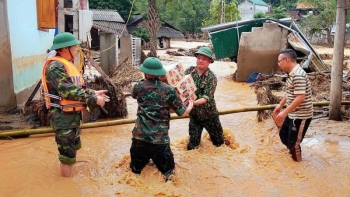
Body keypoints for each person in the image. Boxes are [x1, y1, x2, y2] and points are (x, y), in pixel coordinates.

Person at [41, 32, 110, 177]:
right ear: (65, 48)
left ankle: (71, 177)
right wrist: (93, 99)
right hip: (62, 118)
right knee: (66, 156)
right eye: (74, 47)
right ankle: (66, 185)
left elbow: (77, 88)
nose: (76, 50)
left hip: (72, 116)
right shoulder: (55, 67)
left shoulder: (66, 65)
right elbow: (68, 92)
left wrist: (93, 93)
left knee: (74, 148)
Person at [130, 57, 193, 182]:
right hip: (160, 141)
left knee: (135, 172)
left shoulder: (138, 86)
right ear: (160, 73)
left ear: (145, 72)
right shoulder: (169, 90)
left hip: (139, 138)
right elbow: (182, 113)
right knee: (169, 174)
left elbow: (135, 96)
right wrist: (190, 105)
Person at [273, 49, 313, 162]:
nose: (278, 64)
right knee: (283, 134)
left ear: (287, 60)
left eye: (279, 61)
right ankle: (292, 152)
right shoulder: (291, 74)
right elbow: (290, 92)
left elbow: (300, 97)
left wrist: (284, 112)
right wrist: (280, 105)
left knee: (294, 143)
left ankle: (298, 165)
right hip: (293, 113)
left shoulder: (298, 75)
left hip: (301, 115)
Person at [184, 46, 225, 150]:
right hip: (194, 116)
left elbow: (206, 97)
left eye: (204, 59)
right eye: (198, 58)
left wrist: (191, 103)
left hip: (209, 115)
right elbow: (179, 83)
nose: (200, 61)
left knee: (219, 144)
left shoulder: (212, 77)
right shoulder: (189, 71)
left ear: (210, 61)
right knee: (192, 146)